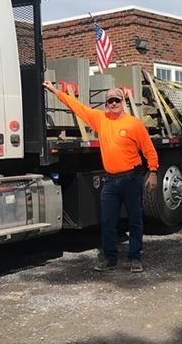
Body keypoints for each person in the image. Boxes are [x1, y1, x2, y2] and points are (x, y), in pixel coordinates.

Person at [42, 81, 159, 273]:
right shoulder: (100, 119)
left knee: (135, 220)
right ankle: (110, 258)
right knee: (108, 221)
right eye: (110, 101)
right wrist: (55, 91)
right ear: (106, 104)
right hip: (111, 181)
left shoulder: (133, 123)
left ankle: (135, 257)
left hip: (132, 179)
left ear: (123, 102)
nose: (113, 104)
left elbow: (148, 149)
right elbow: (77, 107)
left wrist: (153, 171)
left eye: (117, 100)